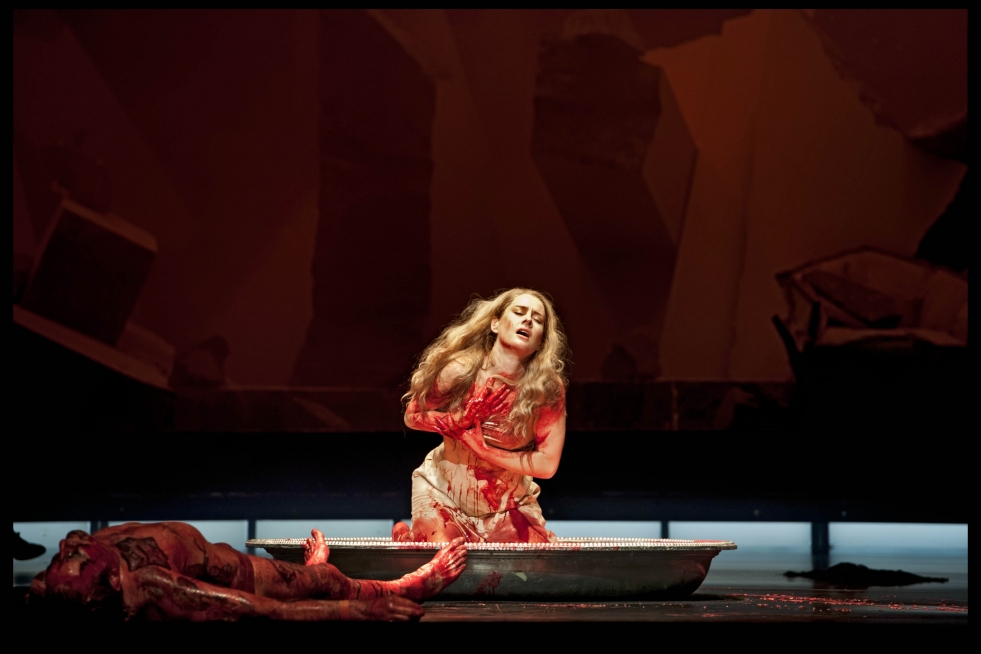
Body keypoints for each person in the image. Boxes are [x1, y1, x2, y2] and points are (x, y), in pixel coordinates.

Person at [394, 288, 569, 543]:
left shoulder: (547, 389)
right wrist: (456, 422)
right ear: (495, 324)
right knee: (448, 559)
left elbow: (547, 464)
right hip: (444, 494)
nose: (528, 320)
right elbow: (412, 416)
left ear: (541, 340)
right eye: (519, 312)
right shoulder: (460, 371)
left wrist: (484, 450)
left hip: (509, 503)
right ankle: (411, 539)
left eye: (537, 319)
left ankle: (412, 541)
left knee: (535, 563)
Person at [29, 521, 466, 622]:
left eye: (64, 555)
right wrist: (358, 612)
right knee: (325, 582)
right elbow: (265, 609)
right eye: (77, 558)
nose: (69, 547)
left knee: (221, 552)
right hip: (234, 578)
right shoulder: (152, 583)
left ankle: (313, 574)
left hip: (212, 556)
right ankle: (409, 585)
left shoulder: (60, 574)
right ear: (112, 580)